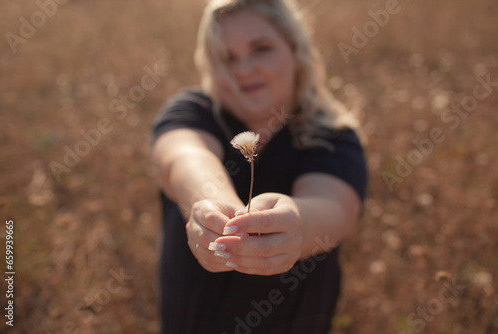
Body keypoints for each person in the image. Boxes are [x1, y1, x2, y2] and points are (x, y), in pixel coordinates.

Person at [151, 0, 367, 333]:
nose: (243, 70)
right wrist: (209, 204)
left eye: (261, 49)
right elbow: (183, 159)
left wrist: (298, 225)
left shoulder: (332, 136)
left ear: (295, 49)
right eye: (227, 58)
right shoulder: (194, 111)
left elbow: (335, 209)